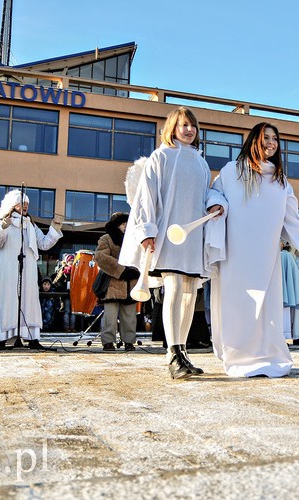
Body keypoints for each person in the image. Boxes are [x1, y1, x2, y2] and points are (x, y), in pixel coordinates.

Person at [208, 122, 299, 377]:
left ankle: (267, 354)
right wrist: (216, 204)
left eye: (275, 138)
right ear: (254, 140)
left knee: (265, 307)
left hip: (266, 258)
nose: (270, 143)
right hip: (236, 254)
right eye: (265, 138)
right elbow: (213, 193)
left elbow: (291, 220)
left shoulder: (281, 182)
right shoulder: (232, 172)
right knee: (238, 305)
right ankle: (239, 357)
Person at [119, 106, 226, 379]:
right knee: (175, 287)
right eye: (183, 125)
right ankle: (172, 353)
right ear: (172, 128)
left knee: (190, 293)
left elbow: (208, 195)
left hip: (192, 238)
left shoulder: (201, 163)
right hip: (168, 235)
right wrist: (146, 231)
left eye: (192, 125)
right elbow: (146, 196)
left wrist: (215, 204)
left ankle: (183, 351)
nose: (189, 130)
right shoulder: (161, 157)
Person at [0, 190, 63, 352]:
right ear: (13, 205)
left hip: (27, 270)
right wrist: (3, 227)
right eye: (22, 203)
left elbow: (43, 244)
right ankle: (1, 339)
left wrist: (54, 229)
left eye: (27, 203)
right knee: (7, 299)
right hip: (7, 268)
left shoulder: (30, 224)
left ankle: (32, 338)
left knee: (28, 300)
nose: (26, 206)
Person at [94, 212, 140, 352]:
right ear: (116, 224)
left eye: (127, 223)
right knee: (110, 317)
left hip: (130, 283)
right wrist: (122, 269)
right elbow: (101, 256)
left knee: (130, 316)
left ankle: (129, 342)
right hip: (113, 284)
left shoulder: (134, 239)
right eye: (123, 223)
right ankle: (108, 342)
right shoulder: (106, 238)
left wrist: (135, 270)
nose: (126, 226)